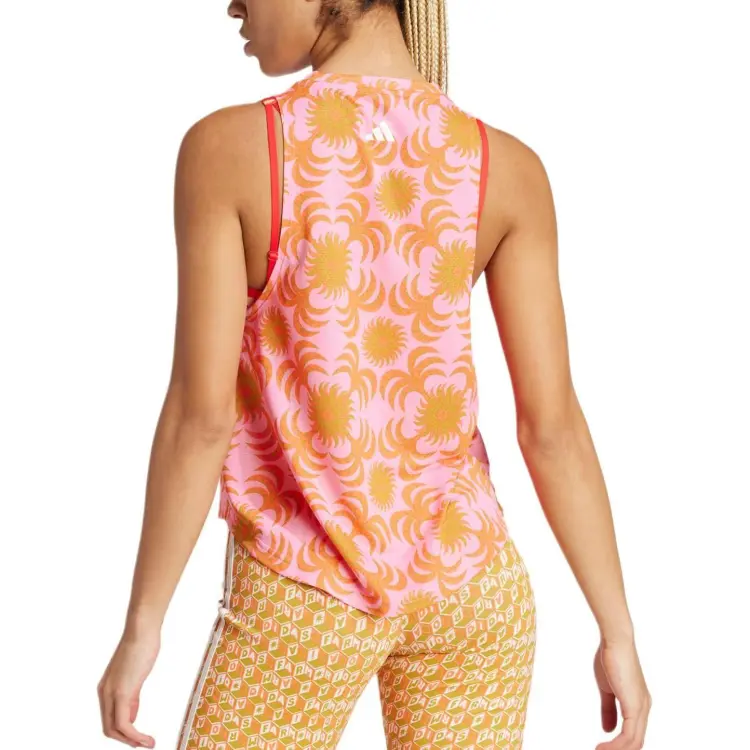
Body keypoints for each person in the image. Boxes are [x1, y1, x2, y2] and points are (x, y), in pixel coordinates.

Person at [97, 1, 652, 748]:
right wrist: (617, 631)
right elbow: (552, 429)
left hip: (302, 593)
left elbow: (200, 420)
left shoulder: (231, 149)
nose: (231, 3)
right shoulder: (504, 166)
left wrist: (143, 625)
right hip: (472, 593)